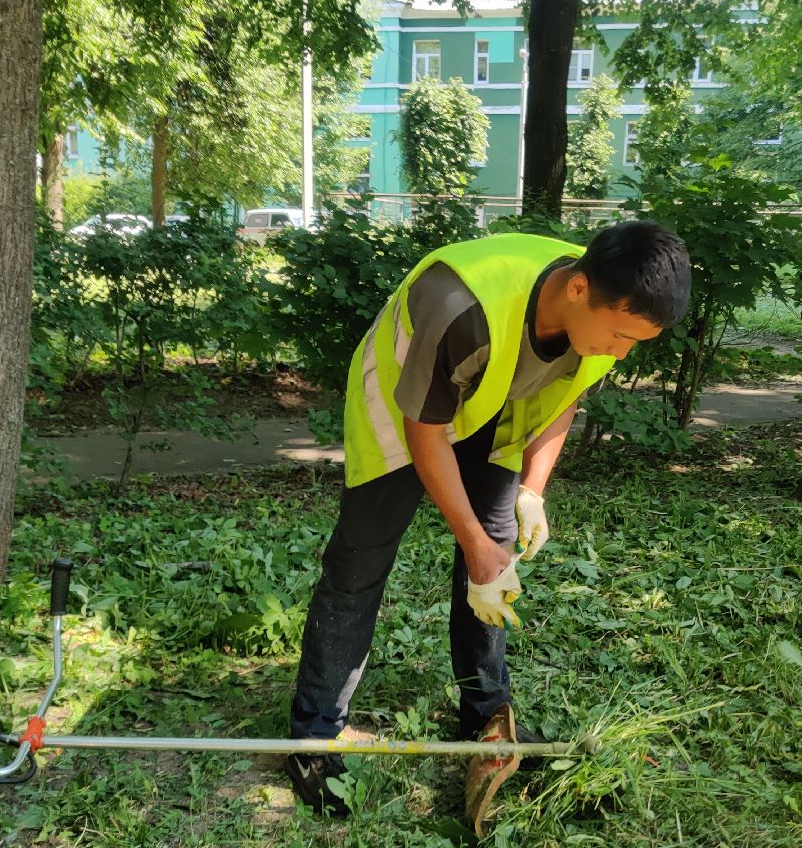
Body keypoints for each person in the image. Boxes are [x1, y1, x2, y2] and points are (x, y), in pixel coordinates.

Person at [286, 220, 692, 815]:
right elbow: (426, 432)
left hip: (501, 400)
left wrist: (533, 489)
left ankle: (484, 718)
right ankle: (313, 734)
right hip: (409, 401)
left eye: (635, 342)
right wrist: (470, 538)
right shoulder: (465, 309)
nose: (621, 352)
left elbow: (564, 395)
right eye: (618, 336)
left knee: (494, 563)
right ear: (578, 289)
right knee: (359, 561)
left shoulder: (602, 313)